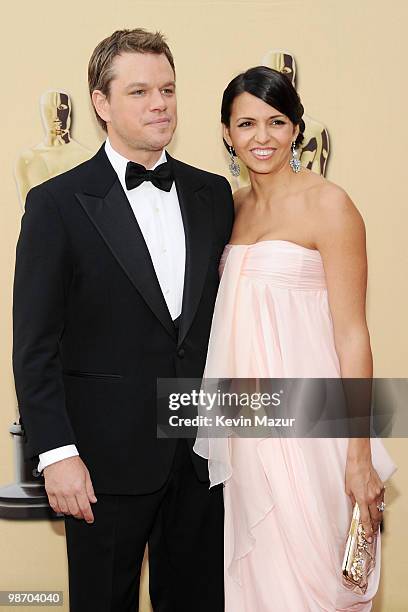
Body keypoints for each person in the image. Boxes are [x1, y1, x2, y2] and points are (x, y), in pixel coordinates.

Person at [13, 28, 233, 612]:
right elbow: (34, 344)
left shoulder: (214, 194)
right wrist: (56, 454)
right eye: (139, 92)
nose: (159, 103)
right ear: (101, 104)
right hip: (100, 464)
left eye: (167, 89)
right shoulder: (57, 203)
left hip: (202, 457)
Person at [194, 66, 396, 611]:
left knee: (315, 585)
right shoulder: (230, 209)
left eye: (277, 122)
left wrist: (359, 455)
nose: (262, 137)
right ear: (226, 133)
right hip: (247, 430)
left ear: (296, 129)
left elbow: (354, 335)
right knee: (258, 583)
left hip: (314, 430)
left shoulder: (330, 205)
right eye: (246, 123)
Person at [14, 90, 92, 208]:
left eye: (61, 108)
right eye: (48, 110)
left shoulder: (87, 158)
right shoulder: (27, 160)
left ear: (69, 111)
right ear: (42, 112)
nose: (56, 116)